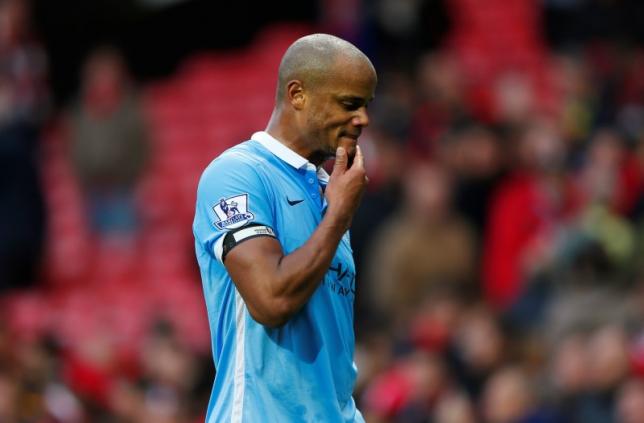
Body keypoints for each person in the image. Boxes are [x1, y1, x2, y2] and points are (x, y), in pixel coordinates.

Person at [192, 34, 377, 422]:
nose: (363, 119)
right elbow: (271, 300)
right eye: (349, 104)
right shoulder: (237, 174)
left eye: (365, 105)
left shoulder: (333, 192)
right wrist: (338, 216)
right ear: (297, 94)